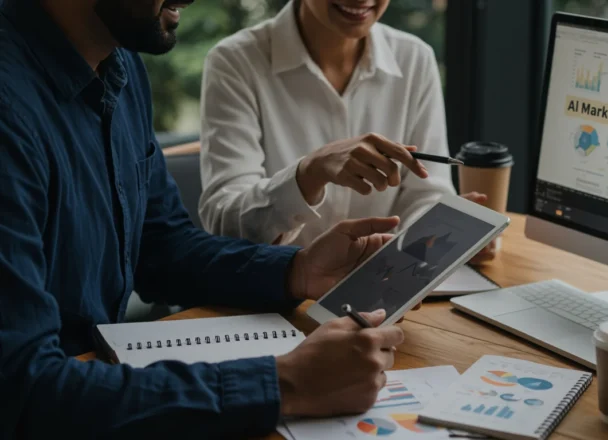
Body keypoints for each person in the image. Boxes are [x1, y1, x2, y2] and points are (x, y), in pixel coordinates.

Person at [0, 0, 410, 437]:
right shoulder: (10, 109)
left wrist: (296, 270)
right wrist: (285, 383)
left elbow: (161, 245)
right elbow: (23, 389)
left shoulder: (121, 65)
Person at [198, 0, 496, 263]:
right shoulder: (235, 61)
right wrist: (308, 174)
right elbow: (225, 225)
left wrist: (439, 236)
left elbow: (427, 194)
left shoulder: (415, 58)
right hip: (277, 292)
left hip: (383, 285)